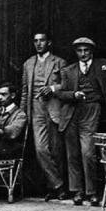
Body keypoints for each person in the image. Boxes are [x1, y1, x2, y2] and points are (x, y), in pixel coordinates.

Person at [55, 37, 106, 207]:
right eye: (80, 51)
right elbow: (60, 93)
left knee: (88, 152)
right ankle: (77, 191)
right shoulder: (68, 70)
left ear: (92, 51)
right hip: (71, 112)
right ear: (76, 52)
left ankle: (92, 192)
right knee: (73, 154)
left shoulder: (102, 65)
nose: (83, 54)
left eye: (86, 50)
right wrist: (73, 95)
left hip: (91, 110)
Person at [20, 32, 68, 201]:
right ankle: (58, 184)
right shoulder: (28, 64)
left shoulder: (59, 62)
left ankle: (53, 188)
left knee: (56, 150)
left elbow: (67, 84)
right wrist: (22, 114)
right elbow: (25, 91)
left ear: (49, 43)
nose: (39, 44)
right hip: (35, 109)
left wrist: (53, 88)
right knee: (41, 149)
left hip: (54, 108)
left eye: (42, 41)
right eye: (36, 41)